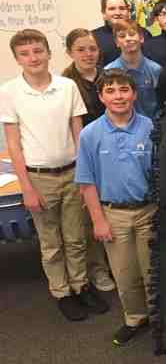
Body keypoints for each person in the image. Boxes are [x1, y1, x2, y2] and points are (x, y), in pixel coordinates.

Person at [0, 29, 108, 321]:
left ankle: (81, 285)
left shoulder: (67, 86)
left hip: (72, 173)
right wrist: (26, 188)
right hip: (38, 177)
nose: (33, 58)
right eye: (25, 54)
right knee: (51, 243)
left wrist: (85, 177)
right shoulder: (10, 92)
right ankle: (62, 292)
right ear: (17, 59)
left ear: (49, 53)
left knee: (76, 237)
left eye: (38, 51)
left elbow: (78, 134)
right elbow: (14, 144)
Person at [75, 69, 156, 346]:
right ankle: (135, 318)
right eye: (110, 91)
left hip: (148, 212)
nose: (118, 96)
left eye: (124, 89)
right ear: (101, 97)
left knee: (152, 271)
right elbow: (86, 183)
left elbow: (160, 174)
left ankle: (158, 318)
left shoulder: (150, 127)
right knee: (125, 273)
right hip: (113, 214)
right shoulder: (90, 134)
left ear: (134, 94)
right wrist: (98, 221)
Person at [61, 28, 115, 292]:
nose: (88, 54)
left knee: (112, 213)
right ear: (70, 52)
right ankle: (98, 269)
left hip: (112, 154)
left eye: (92, 48)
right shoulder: (65, 84)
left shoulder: (109, 77)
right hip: (85, 155)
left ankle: (116, 264)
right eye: (81, 49)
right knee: (90, 215)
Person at [104, 20, 162, 119]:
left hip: (152, 125)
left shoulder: (155, 69)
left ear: (141, 38)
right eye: (122, 36)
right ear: (117, 42)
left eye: (132, 34)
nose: (128, 39)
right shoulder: (108, 71)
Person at [92, 0, 151, 66]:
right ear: (104, 14)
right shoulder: (93, 38)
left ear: (128, 12)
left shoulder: (143, 33)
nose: (117, 13)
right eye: (112, 9)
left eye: (122, 8)